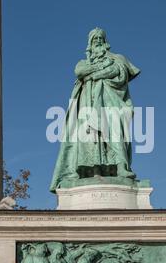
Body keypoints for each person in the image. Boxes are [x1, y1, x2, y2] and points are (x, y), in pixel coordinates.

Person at [50, 28, 140, 192]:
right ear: (90, 44)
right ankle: (94, 170)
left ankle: (121, 167)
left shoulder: (116, 59)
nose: (98, 41)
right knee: (90, 137)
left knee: (115, 133)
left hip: (112, 103)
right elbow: (79, 71)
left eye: (100, 38)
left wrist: (95, 74)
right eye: (94, 39)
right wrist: (99, 69)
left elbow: (118, 72)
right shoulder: (83, 62)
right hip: (88, 104)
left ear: (106, 42)